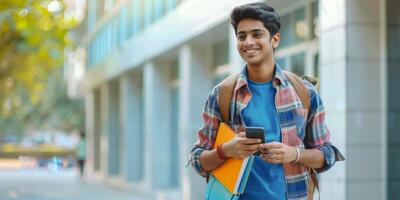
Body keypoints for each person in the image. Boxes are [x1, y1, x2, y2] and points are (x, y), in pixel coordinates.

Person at [189, 2, 343, 200]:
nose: (248, 42)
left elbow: (327, 154)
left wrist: (294, 154)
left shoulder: (305, 92)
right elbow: (197, 160)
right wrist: (226, 150)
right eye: (241, 36)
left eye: (257, 34)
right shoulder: (222, 95)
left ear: (275, 39)